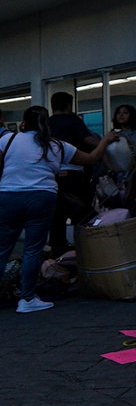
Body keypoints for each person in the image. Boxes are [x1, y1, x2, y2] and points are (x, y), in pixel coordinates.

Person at [0, 106, 117, 313]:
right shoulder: (58, 146)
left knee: (2, 248)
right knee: (32, 250)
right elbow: (91, 158)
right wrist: (106, 141)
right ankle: (27, 299)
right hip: (42, 197)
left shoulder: (8, 140)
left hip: (9, 195)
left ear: (24, 124)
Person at [47, 91, 98, 256]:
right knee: (80, 213)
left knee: (57, 216)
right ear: (69, 105)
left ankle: (58, 250)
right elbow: (88, 141)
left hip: (51, 176)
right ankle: (84, 248)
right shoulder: (73, 121)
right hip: (73, 174)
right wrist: (106, 143)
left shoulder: (46, 123)